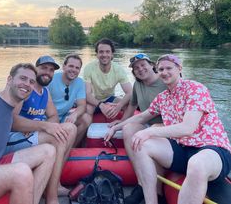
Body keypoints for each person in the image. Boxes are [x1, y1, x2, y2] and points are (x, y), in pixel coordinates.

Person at [107, 54, 231, 204]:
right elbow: (141, 117)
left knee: (197, 163)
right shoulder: (163, 97)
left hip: (211, 149)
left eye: (169, 68)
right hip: (182, 149)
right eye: (161, 69)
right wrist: (117, 127)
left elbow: (187, 128)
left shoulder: (195, 88)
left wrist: (150, 131)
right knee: (140, 143)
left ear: (179, 68)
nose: (164, 72)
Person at [0, 63, 56, 204]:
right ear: (9, 79)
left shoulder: (11, 109)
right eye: (22, 78)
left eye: (31, 81)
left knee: (49, 151)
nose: (27, 84)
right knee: (22, 172)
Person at [5, 56, 77, 202]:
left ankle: (54, 182)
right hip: (13, 138)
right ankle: (51, 197)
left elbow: (53, 115)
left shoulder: (45, 92)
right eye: (44, 68)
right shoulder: (26, 89)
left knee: (71, 128)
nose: (48, 72)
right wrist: (44, 126)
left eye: (51, 70)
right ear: (35, 69)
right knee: (57, 137)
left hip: (32, 135)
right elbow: (12, 121)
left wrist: (48, 125)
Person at [106, 53, 166, 203]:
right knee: (128, 129)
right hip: (147, 122)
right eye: (136, 68)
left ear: (152, 65)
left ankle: (157, 192)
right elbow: (133, 104)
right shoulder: (138, 84)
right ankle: (141, 183)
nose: (140, 69)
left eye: (143, 65)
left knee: (150, 137)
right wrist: (122, 121)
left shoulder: (165, 81)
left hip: (167, 125)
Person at [83, 38, 132, 121]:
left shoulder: (118, 69)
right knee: (88, 109)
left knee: (129, 104)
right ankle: (89, 131)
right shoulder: (89, 68)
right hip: (93, 100)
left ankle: (121, 123)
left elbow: (130, 92)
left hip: (110, 98)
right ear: (97, 54)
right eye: (101, 52)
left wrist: (119, 105)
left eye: (107, 52)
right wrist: (101, 105)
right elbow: (87, 94)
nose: (104, 55)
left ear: (112, 54)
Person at [48, 54, 91, 147]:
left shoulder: (79, 82)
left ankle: (71, 148)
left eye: (77, 68)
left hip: (64, 117)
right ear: (64, 66)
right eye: (71, 66)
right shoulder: (51, 79)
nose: (74, 70)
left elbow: (82, 105)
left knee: (86, 119)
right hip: (48, 119)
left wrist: (74, 115)